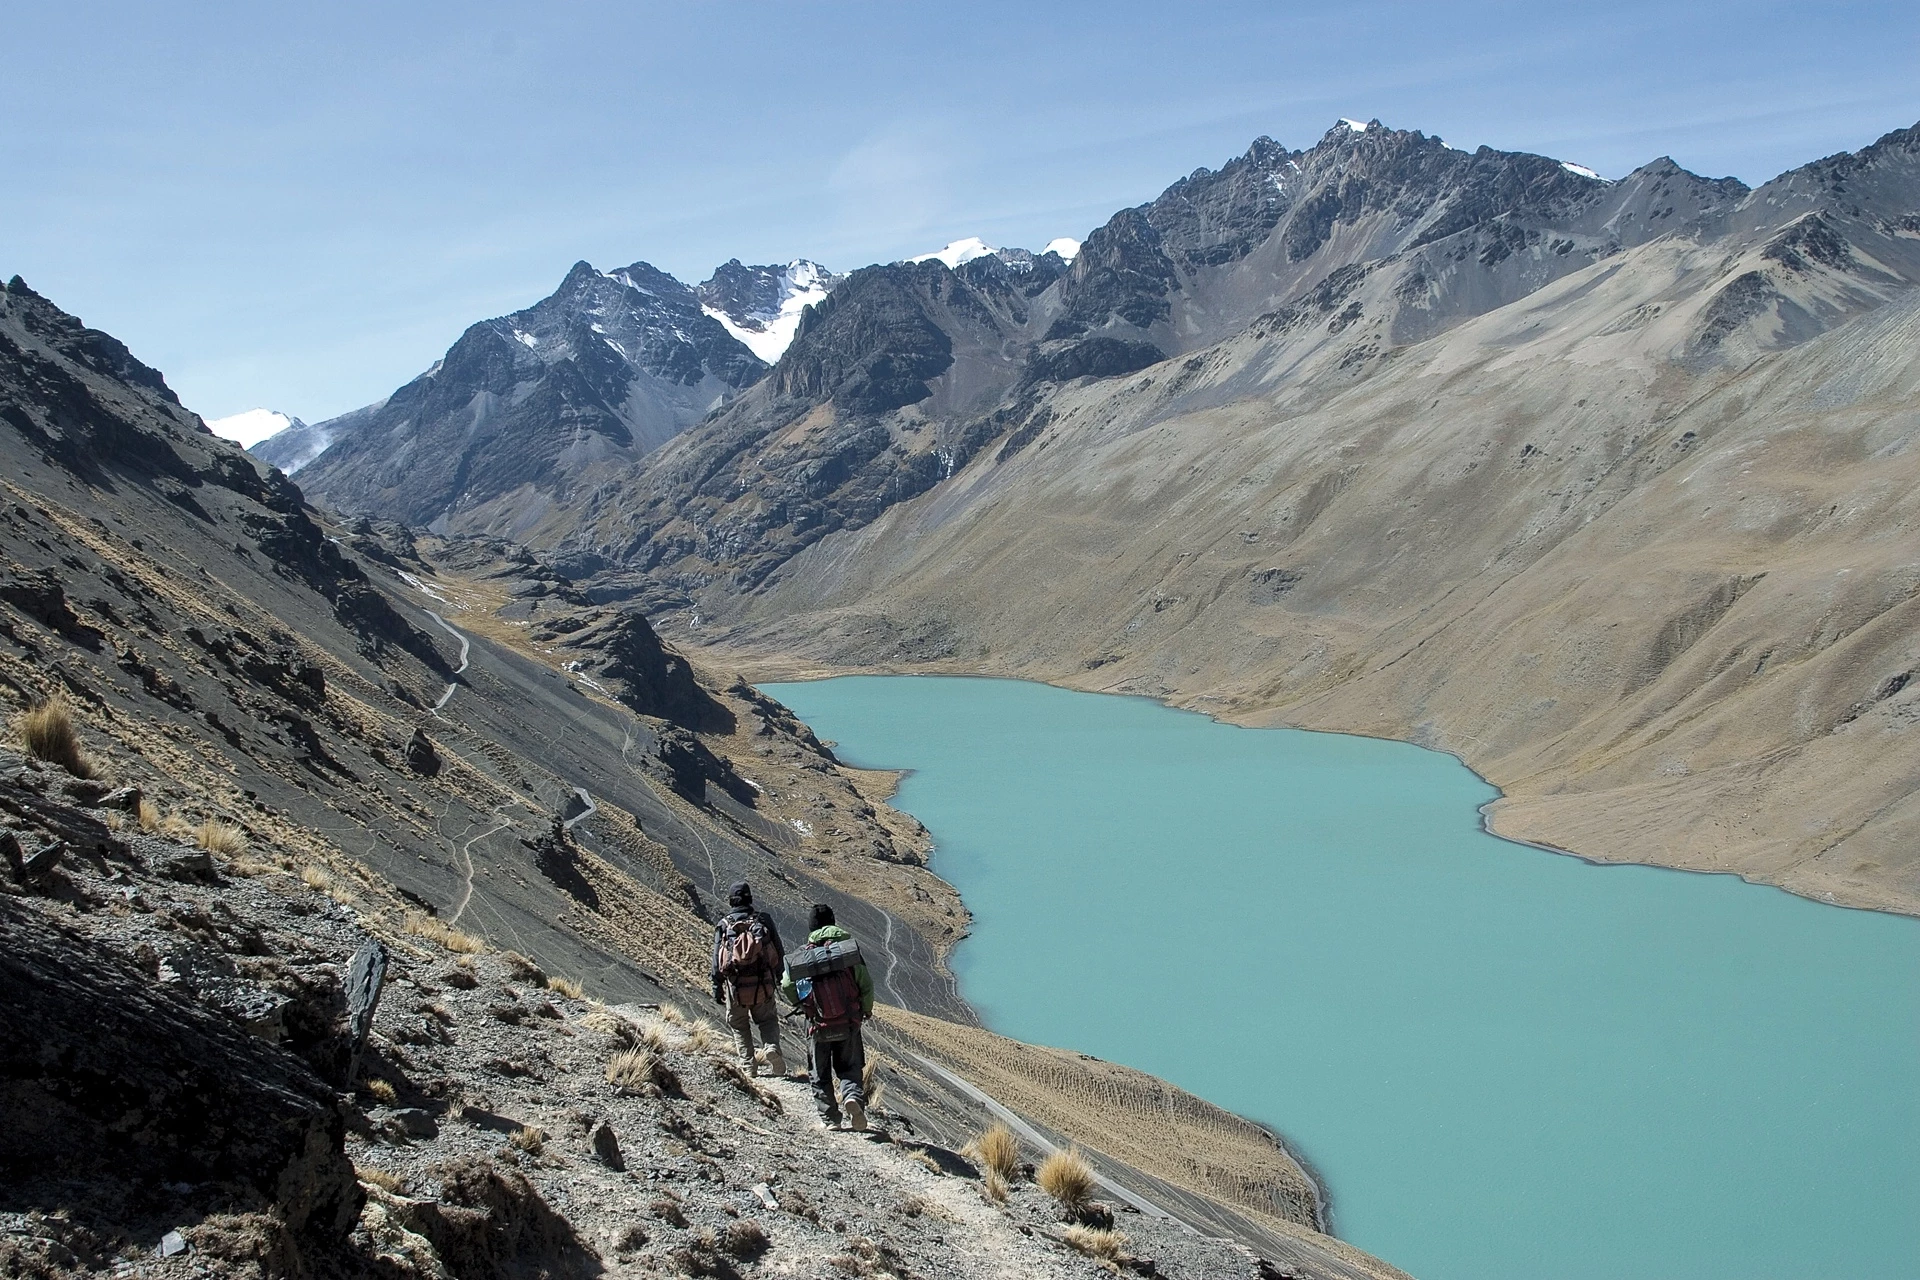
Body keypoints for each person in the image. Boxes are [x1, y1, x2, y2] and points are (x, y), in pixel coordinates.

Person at [780, 902, 876, 1130]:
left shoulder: (805, 955)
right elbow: (866, 984)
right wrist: (866, 1009)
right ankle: (852, 1097)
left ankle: (831, 1118)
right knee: (850, 1066)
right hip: (848, 1021)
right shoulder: (848, 951)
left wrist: (802, 1005)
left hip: (817, 1024)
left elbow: (785, 983)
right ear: (833, 923)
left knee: (819, 1072)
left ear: (812, 927)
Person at [710, 881, 786, 1077]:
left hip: (735, 987)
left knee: (739, 1024)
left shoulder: (724, 925)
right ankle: (771, 1047)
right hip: (763, 984)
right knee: (767, 1019)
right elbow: (778, 950)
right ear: (750, 899)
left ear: (731, 901)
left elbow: (717, 960)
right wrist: (778, 977)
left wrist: (717, 986)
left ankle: (748, 1065)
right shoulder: (764, 920)